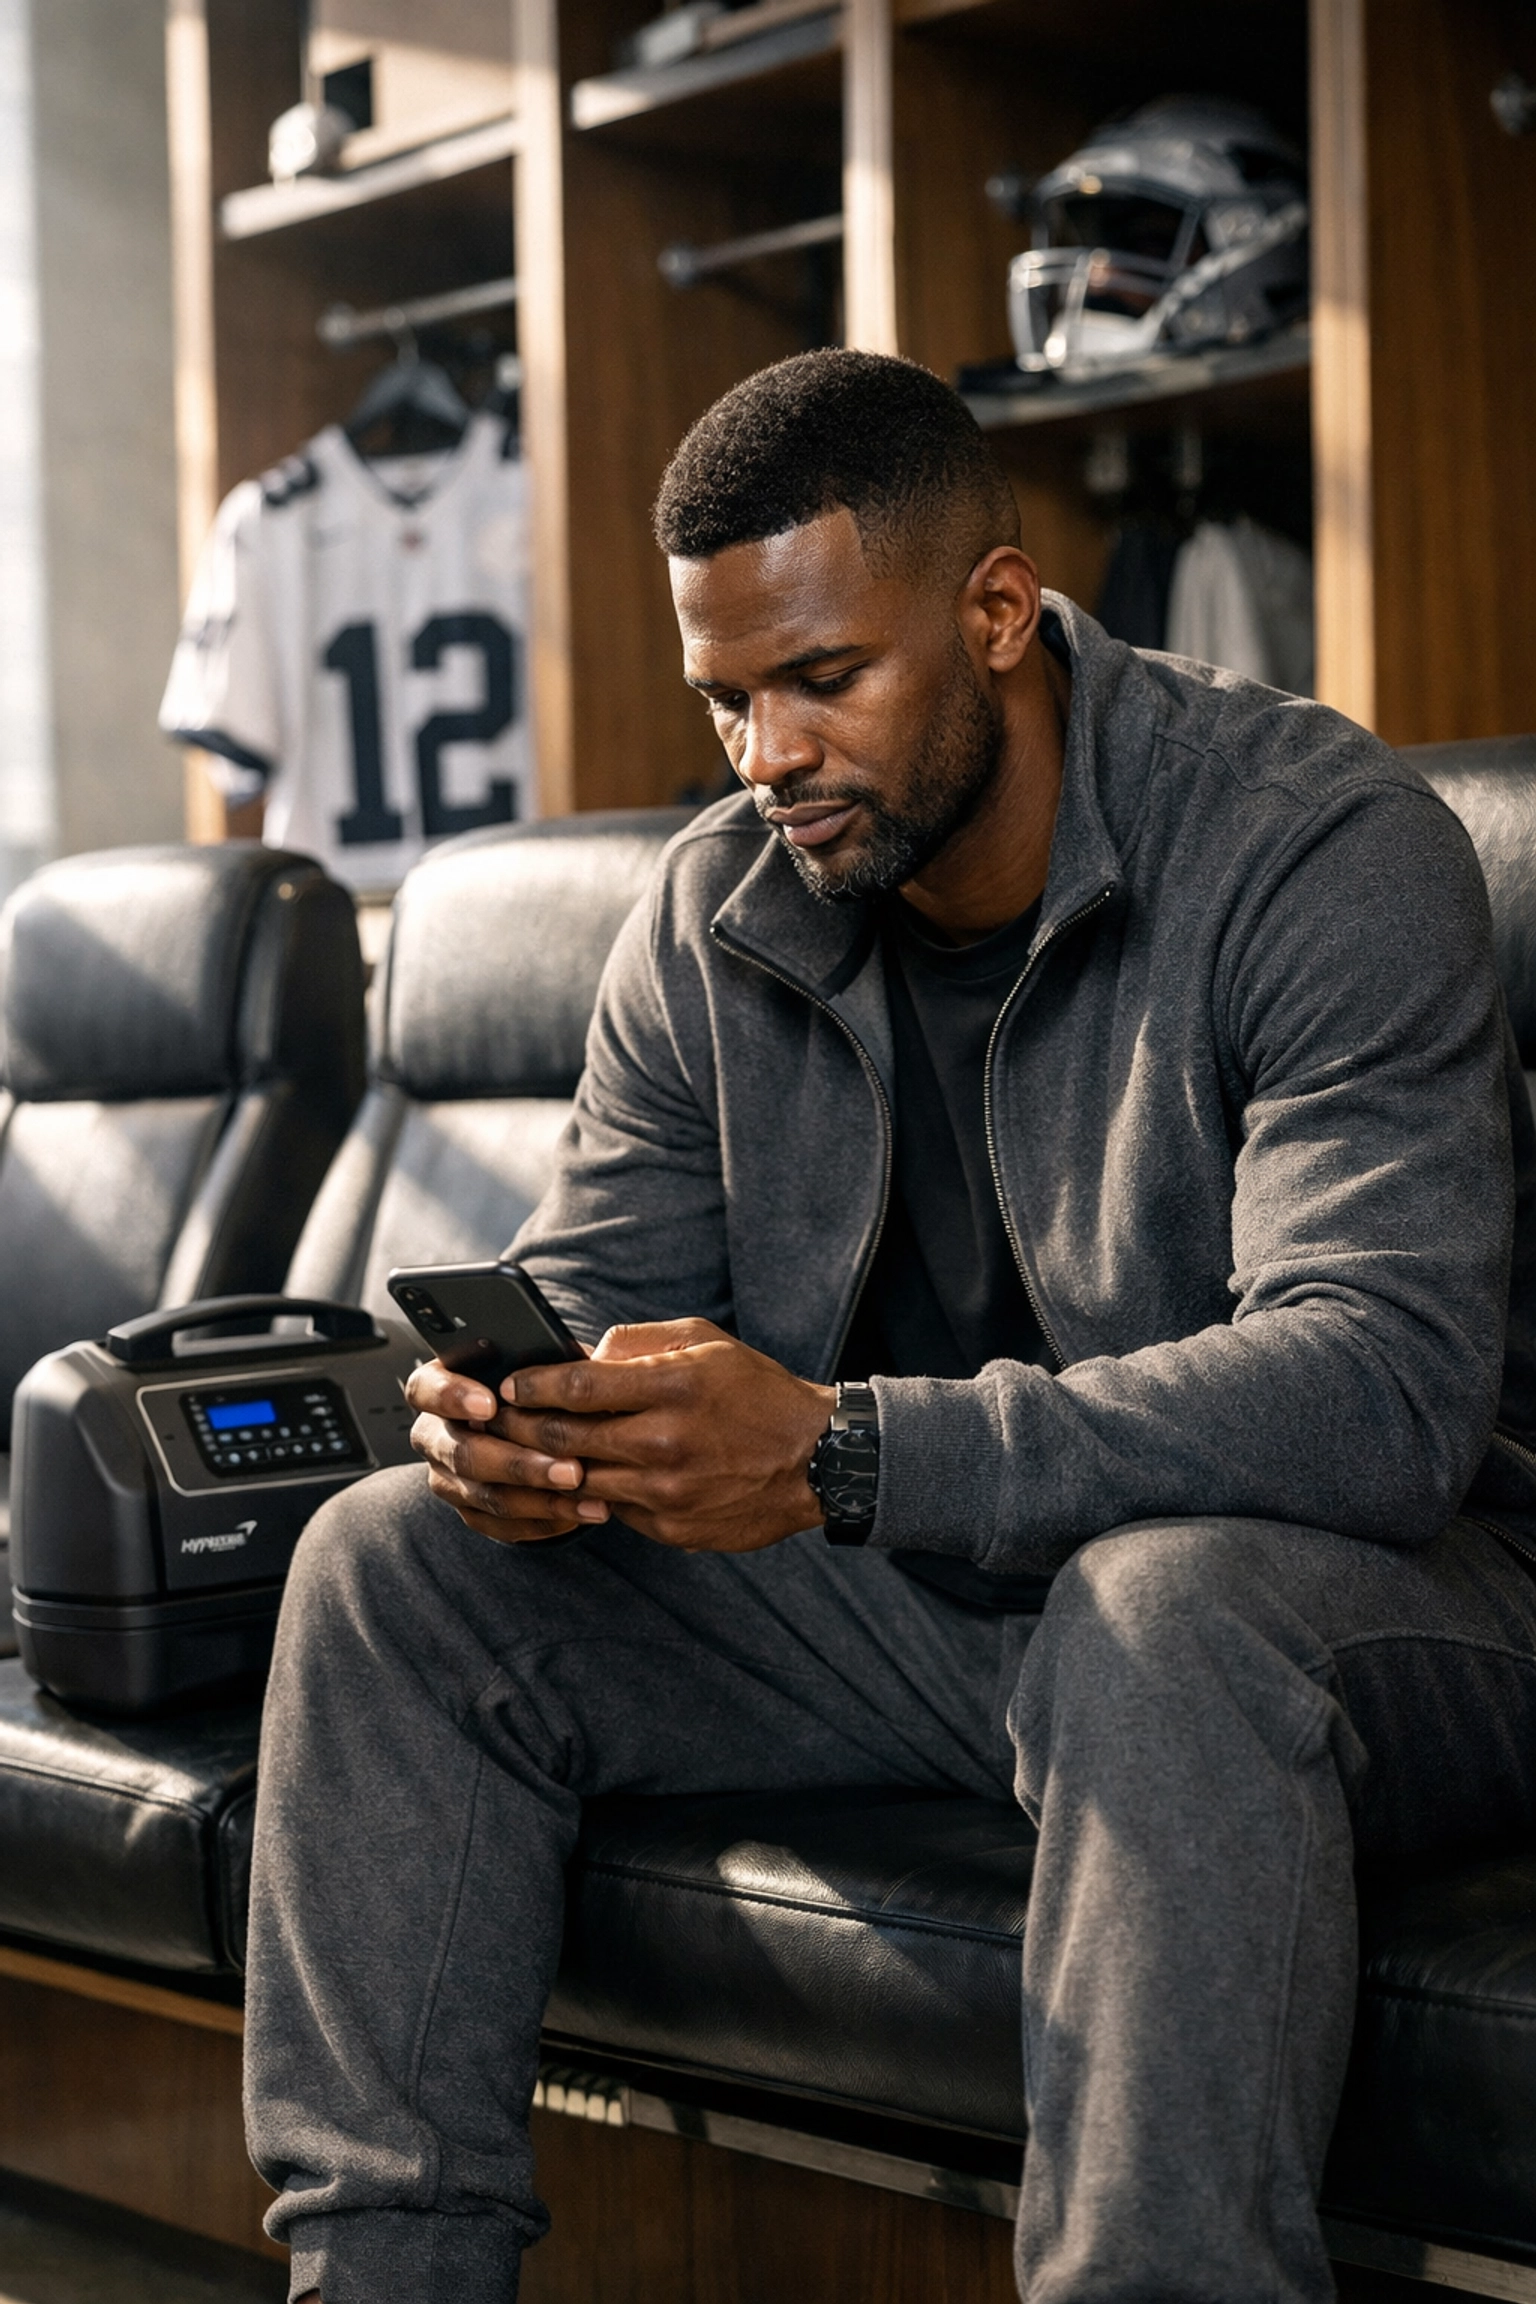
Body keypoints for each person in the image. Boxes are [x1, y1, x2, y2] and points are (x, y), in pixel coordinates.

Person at [246, 349, 1536, 2304]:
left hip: (1388, 1598)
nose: (765, 753)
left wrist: (849, 1450)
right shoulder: (714, 914)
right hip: (948, 1603)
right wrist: (530, 1427)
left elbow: (1382, 1390)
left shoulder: (1311, 848)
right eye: (727, 699)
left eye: (822, 680)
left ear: (998, 614)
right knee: (394, 1567)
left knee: (1159, 1615)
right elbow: (601, 1288)